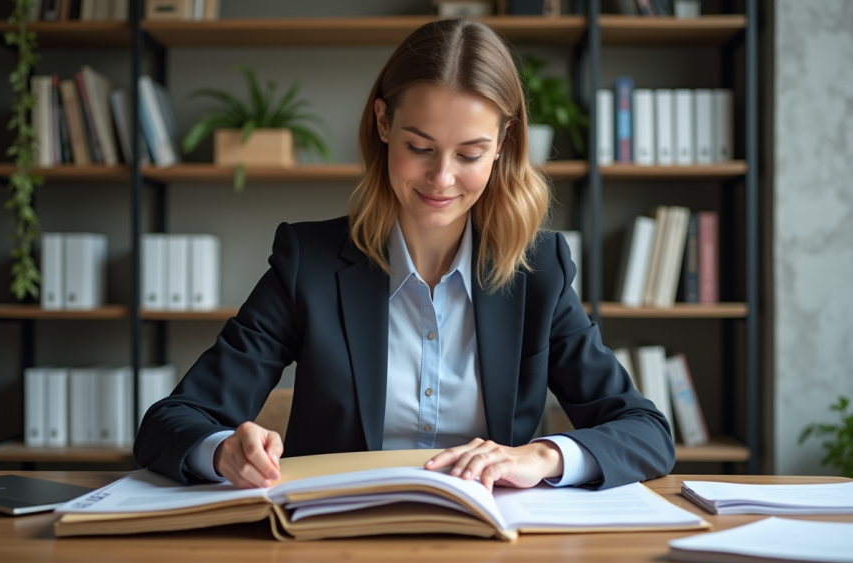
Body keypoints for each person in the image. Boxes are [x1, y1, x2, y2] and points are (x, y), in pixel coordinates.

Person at [134, 19, 675, 492]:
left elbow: (644, 431)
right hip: (336, 544)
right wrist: (223, 449)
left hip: (490, 546)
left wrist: (542, 456)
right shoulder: (309, 263)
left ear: (504, 142)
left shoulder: (540, 271)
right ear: (383, 123)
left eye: (470, 154)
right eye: (420, 147)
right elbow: (171, 421)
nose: (442, 179)